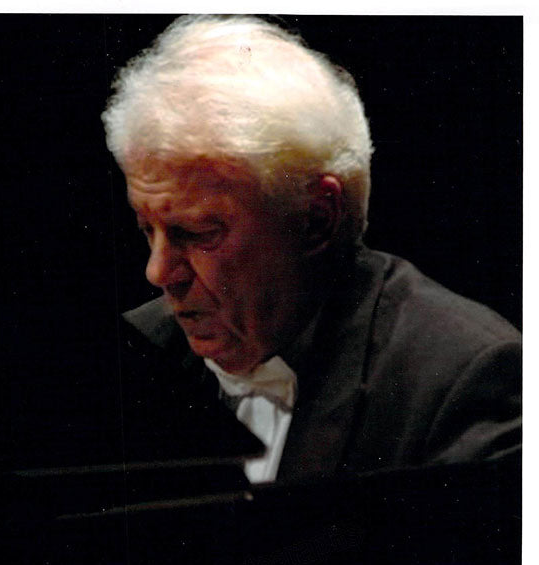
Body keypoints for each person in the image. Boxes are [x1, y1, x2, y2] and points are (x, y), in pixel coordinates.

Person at [102, 14, 521, 485]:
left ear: (316, 219)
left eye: (198, 233)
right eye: (147, 229)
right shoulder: (132, 356)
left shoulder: (463, 383)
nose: (159, 272)